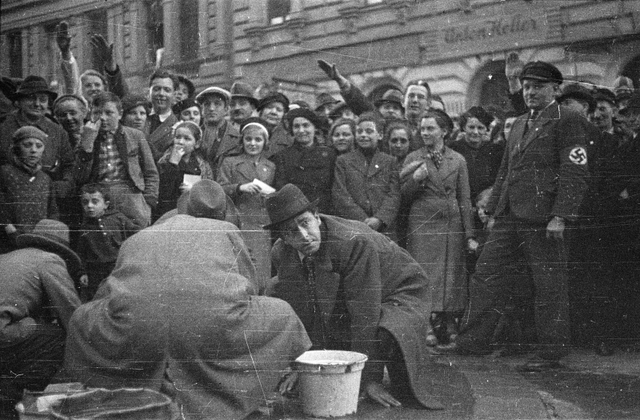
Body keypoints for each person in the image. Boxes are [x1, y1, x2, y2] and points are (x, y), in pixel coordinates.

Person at [60, 179, 311, 419]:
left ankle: (129, 394)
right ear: (223, 214)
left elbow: (108, 289)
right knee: (281, 312)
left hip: (136, 329)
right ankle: (236, 396)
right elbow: (250, 287)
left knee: (82, 316)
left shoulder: (140, 236)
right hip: (211, 328)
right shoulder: (227, 230)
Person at [433, 61, 590, 372]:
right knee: (487, 274)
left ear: (555, 90)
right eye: (527, 86)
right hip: (509, 216)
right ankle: (472, 341)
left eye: (538, 86)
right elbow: (506, 170)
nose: (530, 91)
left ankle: (552, 353)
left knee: (549, 285)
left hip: (544, 219)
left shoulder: (568, 118)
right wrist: (491, 210)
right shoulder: (519, 123)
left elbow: (575, 170)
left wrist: (560, 215)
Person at [265, 184, 444, 410]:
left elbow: (364, 312)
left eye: (305, 223)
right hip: (359, 288)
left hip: (402, 289)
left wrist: (369, 379)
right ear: (282, 237)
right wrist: (304, 367)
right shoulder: (281, 253)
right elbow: (304, 309)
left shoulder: (353, 242)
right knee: (275, 291)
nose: (304, 236)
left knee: (385, 328)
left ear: (317, 217)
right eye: (291, 232)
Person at [400, 109, 476, 345]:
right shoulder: (413, 157)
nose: (425, 133)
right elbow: (402, 196)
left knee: (451, 274)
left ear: (444, 131)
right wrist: (416, 180)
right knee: (425, 273)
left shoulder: (458, 159)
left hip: (451, 223)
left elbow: (465, 199)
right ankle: (426, 324)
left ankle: (449, 320)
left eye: (430, 128)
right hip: (423, 221)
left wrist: (469, 234)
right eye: (422, 128)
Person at [0, 219, 82, 415]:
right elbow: (71, 313)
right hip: (3, 333)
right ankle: (8, 395)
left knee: (32, 329)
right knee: (60, 339)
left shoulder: (8, 256)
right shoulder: (50, 260)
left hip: (5, 328)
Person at [75, 92, 159, 227]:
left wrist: (148, 202)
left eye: (109, 113)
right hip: (100, 197)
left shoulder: (135, 135)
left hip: (130, 195)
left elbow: (150, 172)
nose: (102, 118)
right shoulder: (86, 137)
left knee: (135, 236)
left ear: (120, 114)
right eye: (97, 113)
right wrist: (86, 146)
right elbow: (79, 177)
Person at [0, 76, 75, 220]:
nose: (37, 104)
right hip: (9, 204)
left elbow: (69, 164)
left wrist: (64, 184)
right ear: (19, 101)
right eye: (31, 98)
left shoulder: (57, 131)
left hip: (46, 202)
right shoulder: (4, 128)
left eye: (43, 99)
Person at [218, 117, 275, 290]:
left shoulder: (270, 166)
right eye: (248, 139)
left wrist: (271, 196)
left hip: (262, 224)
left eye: (258, 140)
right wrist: (240, 187)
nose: (252, 143)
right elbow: (219, 188)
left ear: (265, 142)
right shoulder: (230, 162)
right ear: (242, 141)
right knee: (239, 268)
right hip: (238, 221)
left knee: (261, 271)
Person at [332, 113, 400, 239]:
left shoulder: (390, 161)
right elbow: (340, 194)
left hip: (384, 228)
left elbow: (394, 195)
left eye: (369, 131)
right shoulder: (343, 161)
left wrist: (380, 219)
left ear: (380, 135)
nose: (363, 135)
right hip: (354, 226)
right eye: (359, 131)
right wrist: (362, 220)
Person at [76, 183, 141, 301]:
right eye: (85, 202)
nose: (89, 206)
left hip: (116, 268)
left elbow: (136, 233)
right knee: (96, 299)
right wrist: (82, 272)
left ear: (106, 204)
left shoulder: (118, 218)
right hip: (95, 271)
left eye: (95, 202)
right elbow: (81, 252)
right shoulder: (85, 227)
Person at [1, 126, 59, 253]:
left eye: (39, 146)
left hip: (39, 242)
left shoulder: (45, 179)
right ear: (17, 148)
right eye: (27, 145)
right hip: (8, 241)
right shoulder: (5, 173)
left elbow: (52, 211)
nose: (33, 150)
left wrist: (49, 235)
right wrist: (9, 230)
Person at [271, 108, 336, 214]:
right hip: (295, 213)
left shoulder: (329, 154)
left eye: (306, 125)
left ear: (314, 128)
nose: (301, 130)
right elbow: (281, 189)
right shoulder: (282, 157)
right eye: (296, 126)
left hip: (325, 212)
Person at [155, 120, 213, 221]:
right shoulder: (163, 161)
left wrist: (194, 190)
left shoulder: (202, 166)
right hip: (168, 212)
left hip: (193, 212)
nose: (181, 142)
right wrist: (173, 163)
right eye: (178, 137)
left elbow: (209, 191)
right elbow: (162, 190)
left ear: (197, 143)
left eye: (187, 139)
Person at [56, 22, 128, 101]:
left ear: (104, 88)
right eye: (88, 85)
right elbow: (71, 81)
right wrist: (65, 53)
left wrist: (109, 62)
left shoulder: (110, 109)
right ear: (80, 90)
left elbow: (119, 92)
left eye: (97, 85)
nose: (93, 89)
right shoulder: (79, 110)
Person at [196, 86, 240, 174]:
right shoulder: (194, 135)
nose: (211, 108)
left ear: (226, 109)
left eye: (217, 104)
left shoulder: (237, 137)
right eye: (207, 104)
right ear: (202, 110)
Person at [146, 70, 179, 161]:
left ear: (174, 95)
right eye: (156, 89)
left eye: (167, 90)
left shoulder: (178, 127)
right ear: (149, 92)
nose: (161, 94)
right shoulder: (140, 117)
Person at [257, 92, 292, 156]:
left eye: (279, 110)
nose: (273, 112)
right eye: (269, 107)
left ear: (283, 115)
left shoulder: (289, 141)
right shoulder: (247, 132)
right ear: (261, 111)